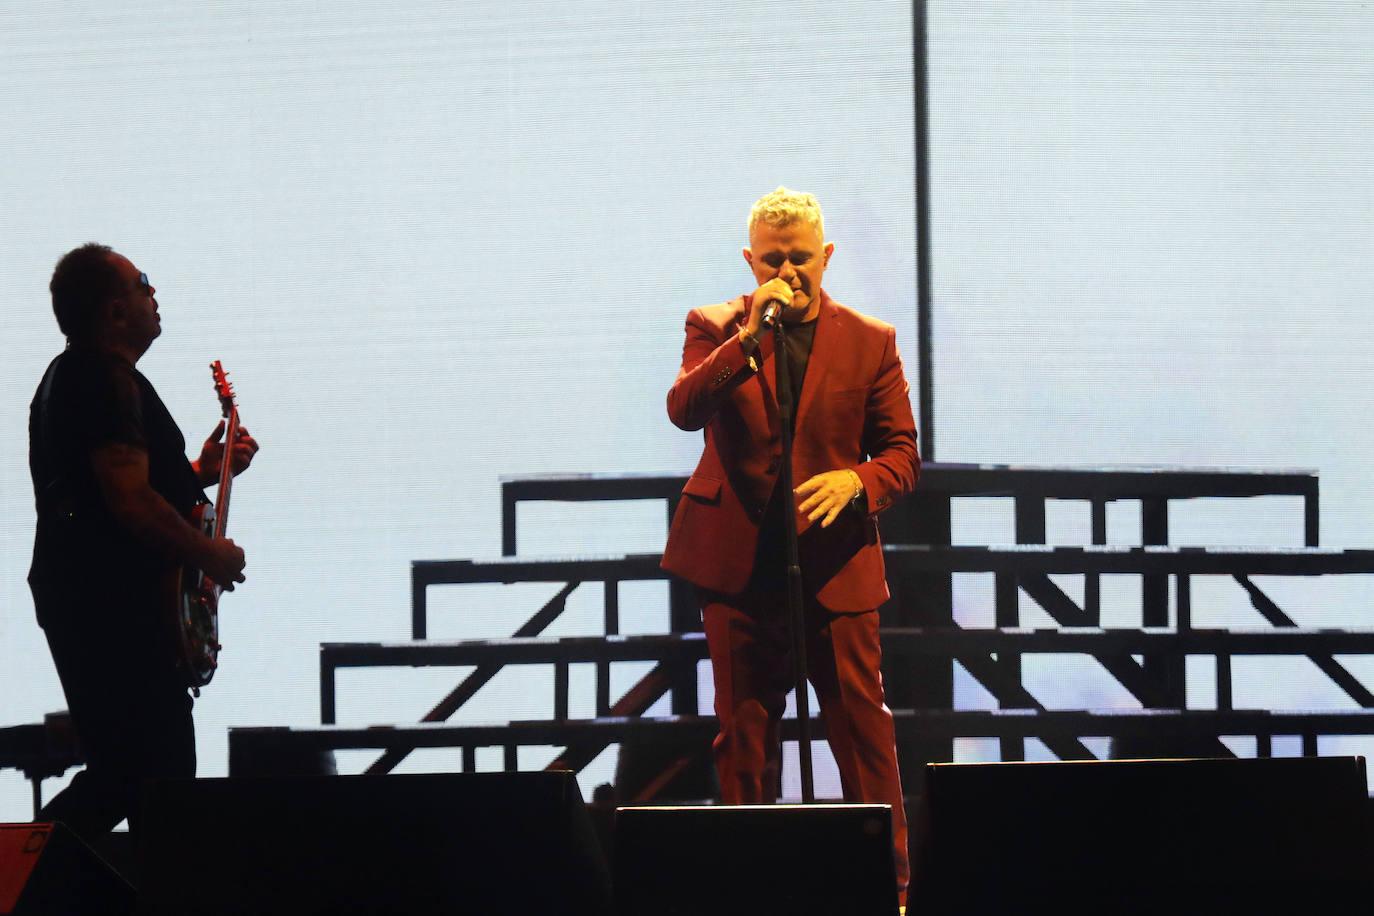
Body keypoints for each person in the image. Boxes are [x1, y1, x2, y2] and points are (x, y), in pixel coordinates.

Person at [661, 188, 919, 904]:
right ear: (751, 260)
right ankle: (752, 888)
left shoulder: (872, 339)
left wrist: (858, 483)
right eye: (772, 260)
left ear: (826, 256)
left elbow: (902, 452)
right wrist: (748, 343)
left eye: (801, 259)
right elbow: (684, 410)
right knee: (742, 738)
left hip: (832, 566)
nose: (788, 273)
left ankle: (889, 890)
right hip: (738, 569)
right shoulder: (714, 327)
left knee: (864, 734)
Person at [27, 243, 257, 845]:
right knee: (151, 776)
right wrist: (211, 554)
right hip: (110, 605)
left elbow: (119, 486)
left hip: (93, 599)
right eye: (142, 284)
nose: (154, 295)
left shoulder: (83, 379)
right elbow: (128, 501)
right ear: (114, 311)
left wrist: (200, 472)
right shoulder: (102, 378)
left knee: (135, 772)